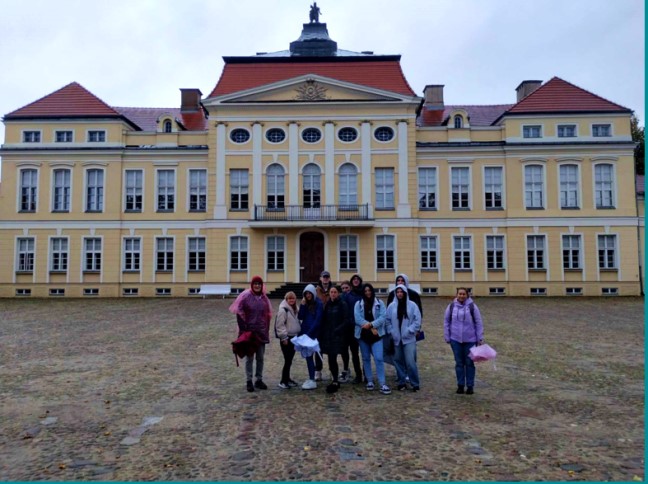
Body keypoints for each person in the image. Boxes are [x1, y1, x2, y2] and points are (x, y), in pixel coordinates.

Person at [229, 275, 273, 392]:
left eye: (259, 284)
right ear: (252, 285)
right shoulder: (246, 297)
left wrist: (266, 329)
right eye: (255, 284)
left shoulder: (264, 298)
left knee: (260, 357)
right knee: (250, 357)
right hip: (250, 333)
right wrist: (244, 329)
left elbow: (268, 314)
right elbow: (239, 311)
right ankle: (249, 380)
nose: (257, 286)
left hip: (261, 332)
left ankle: (259, 379)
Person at [443, 287, 484, 395]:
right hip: (455, 340)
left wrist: (479, 337)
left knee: (469, 363)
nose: (461, 296)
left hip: (470, 340)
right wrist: (447, 336)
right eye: (459, 294)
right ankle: (460, 385)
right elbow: (446, 322)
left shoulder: (472, 307)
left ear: (467, 295)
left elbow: (478, 322)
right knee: (459, 363)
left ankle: (470, 386)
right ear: (457, 295)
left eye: (463, 294)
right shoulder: (451, 307)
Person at [354, 283, 391, 395]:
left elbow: (383, 317)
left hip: (377, 335)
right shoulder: (358, 304)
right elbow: (357, 319)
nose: (367, 293)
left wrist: (371, 324)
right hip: (363, 335)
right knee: (365, 358)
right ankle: (369, 381)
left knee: (379, 358)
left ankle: (382, 383)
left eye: (369, 290)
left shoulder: (379, 303)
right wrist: (370, 326)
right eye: (365, 291)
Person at [385, 284, 422, 392]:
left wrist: (410, 330)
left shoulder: (412, 305)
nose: (400, 294)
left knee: (410, 362)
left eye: (401, 292)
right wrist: (391, 331)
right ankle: (401, 382)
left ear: (405, 293)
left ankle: (414, 382)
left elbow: (417, 320)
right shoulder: (392, 306)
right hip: (396, 338)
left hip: (409, 338)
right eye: (398, 292)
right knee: (398, 360)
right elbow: (387, 320)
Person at [319, 285, 349, 393]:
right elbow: (325, 319)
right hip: (329, 335)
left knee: (336, 355)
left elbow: (346, 320)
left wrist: (338, 330)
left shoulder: (342, 304)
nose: (333, 294)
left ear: (338, 293)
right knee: (331, 358)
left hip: (339, 335)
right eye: (331, 292)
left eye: (335, 292)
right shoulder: (328, 304)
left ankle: (339, 376)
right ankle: (335, 378)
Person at [298, 284, 324, 390]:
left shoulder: (318, 303)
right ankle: (311, 377)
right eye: (306, 294)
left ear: (313, 293)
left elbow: (318, 320)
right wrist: (302, 305)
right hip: (305, 334)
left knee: (313, 356)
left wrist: (309, 333)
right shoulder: (306, 303)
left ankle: (313, 378)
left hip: (314, 334)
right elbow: (300, 316)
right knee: (308, 357)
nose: (308, 295)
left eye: (309, 293)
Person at [275, 291, 301, 389]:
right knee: (287, 360)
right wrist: (283, 337)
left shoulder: (295, 309)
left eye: (293, 298)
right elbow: (280, 325)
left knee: (290, 360)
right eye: (289, 298)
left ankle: (287, 378)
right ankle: (283, 381)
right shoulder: (283, 310)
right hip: (286, 338)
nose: (291, 300)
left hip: (294, 337)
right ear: (286, 299)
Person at [340, 276, 363, 384]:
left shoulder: (355, 297)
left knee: (355, 353)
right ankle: (346, 370)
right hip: (345, 329)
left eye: (347, 288)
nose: (345, 290)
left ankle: (359, 375)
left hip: (354, 328)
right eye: (343, 288)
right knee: (344, 352)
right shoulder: (341, 297)